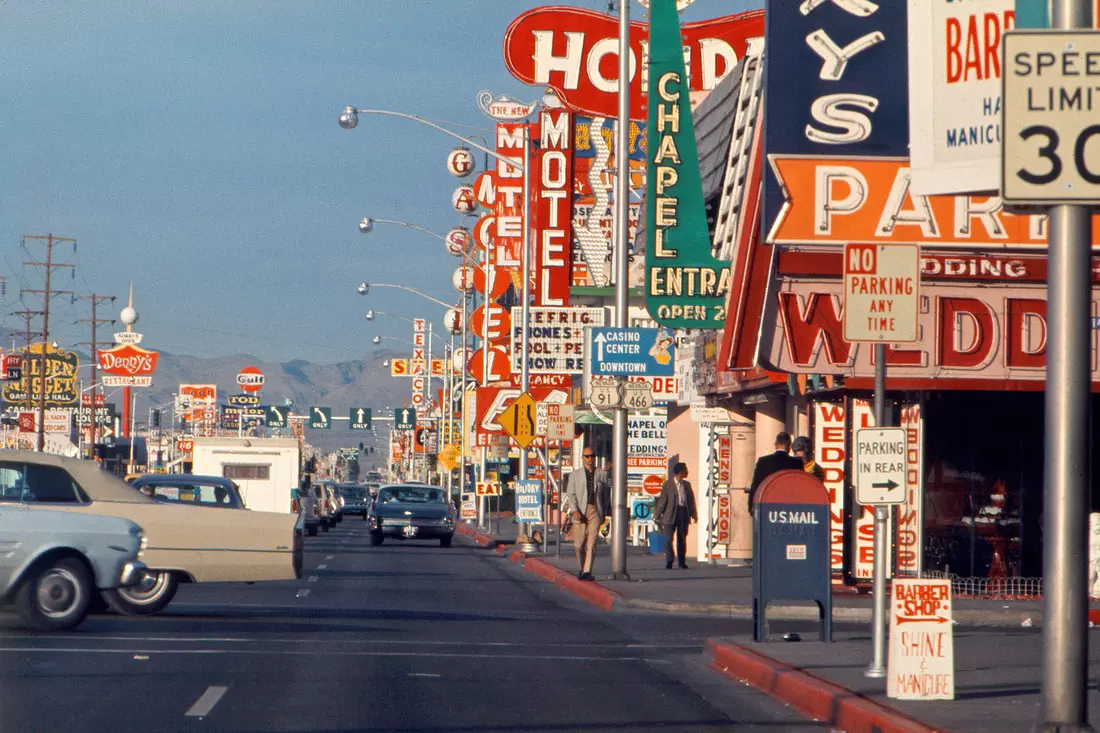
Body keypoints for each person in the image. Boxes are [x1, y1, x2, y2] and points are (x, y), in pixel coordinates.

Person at [562, 448, 611, 581]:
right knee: (579, 544)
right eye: (587, 456)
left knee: (592, 543)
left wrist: (604, 510)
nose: (590, 459)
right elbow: (570, 495)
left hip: (595, 510)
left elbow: (606, 494)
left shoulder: (601, 474)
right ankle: (582, 567)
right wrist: (574, 510)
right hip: (580, 510)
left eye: (592, 456)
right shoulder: (575, 475)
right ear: (582, 458)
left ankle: (587, 571)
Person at [653, 462, 697, 569]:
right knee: (668, 539)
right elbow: (663, 500)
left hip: (683, 513)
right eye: (685, 470)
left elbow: (691, 501)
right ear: (680, 473)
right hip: (670, 514)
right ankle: (669, 560)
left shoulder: (687, 485)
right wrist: (657, 514)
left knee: (682, 539)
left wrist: (694, 514)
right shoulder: (668, 484)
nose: (687, 472)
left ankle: (681, 562)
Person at [748, 432, 803, 514]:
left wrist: (751, 507)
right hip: (789, 509)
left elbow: (755, 485)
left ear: (775, 445)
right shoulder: (797, 463)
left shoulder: (763, 462)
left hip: (767, 507)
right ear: (789, 447)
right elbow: (801, 487)